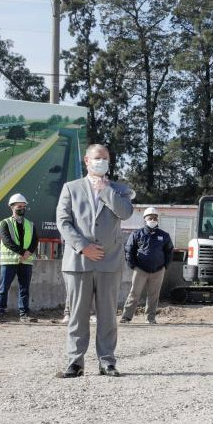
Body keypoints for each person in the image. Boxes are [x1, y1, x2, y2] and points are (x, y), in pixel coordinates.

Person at [54, 144, 135, 378]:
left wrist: (106, 191)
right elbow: (63, 222)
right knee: (77, 315)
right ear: (87, 161)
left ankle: (107, 361)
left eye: (106, 158)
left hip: (109, 262)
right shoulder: (71, 188)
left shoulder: (120, 189)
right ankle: (75, 362)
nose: (102, 161)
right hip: (79, 262)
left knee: (108, 315)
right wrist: (83, 247)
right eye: (97, 158)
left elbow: (126, 213)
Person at [120, 207, 174, 325]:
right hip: (140, 270)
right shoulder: (137, 234)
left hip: (158, 270)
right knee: (134, 293)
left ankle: (150, 318)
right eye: (150, 218)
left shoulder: (164, 235)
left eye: (155, 218)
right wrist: (133, 265)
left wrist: (165, 266)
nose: (153, 220)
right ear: (145, 219)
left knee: (153, 295)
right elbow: (129, 250)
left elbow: (169, 251)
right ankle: (126, 317)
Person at [0, 193, 39, 323]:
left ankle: (24, 313)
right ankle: (0, 311)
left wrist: (28, 253)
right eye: (19, 206)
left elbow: (35, 240)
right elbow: (7, 241)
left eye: (24, 206)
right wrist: (22, 252)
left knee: (24, 288)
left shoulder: (30, 224)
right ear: (12, 207)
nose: (22, 208)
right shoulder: (4, 223)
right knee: (4, 287)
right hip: (9, 261)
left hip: (26, 261)